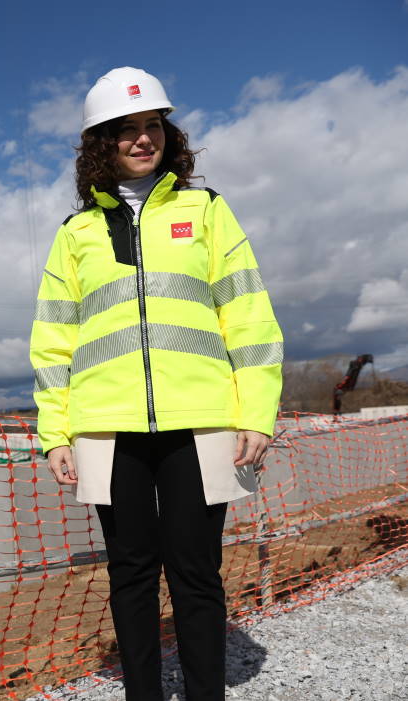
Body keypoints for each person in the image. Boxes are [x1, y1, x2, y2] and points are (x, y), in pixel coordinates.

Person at [29, 67, 283, 700]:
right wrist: (55, 432)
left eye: (153, 126)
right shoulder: (76, 233)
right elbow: (54, 340)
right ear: (101, 143)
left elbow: (248, 314)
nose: (143, 139)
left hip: (200, 422)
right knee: (131, 573)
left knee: (196, 571)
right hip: (108, 428)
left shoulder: (207, 211)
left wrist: (256, 414)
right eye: (127, 130)